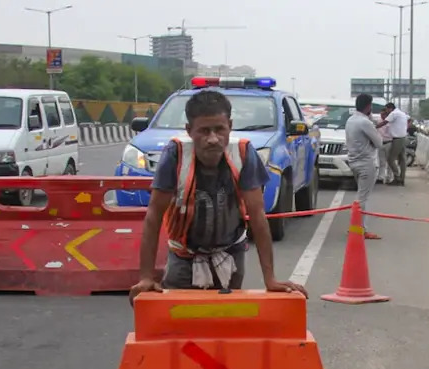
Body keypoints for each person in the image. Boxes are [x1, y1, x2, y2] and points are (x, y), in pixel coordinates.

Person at [129, 89, 308, 300]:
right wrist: (146, 277)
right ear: (189, 130)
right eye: (204, 131)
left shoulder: (243, 152)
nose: (213, 139)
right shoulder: (175, 154)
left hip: (230, 254)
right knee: (180, 320)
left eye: (219, 130)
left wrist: (270, 279)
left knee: (226, 318)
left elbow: (258, 217)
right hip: (183, 255)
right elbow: (154, 216)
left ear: (230, 127)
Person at [344, 93, 383, 232]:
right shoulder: (365, 122)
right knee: (362, 198)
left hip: (354, 161)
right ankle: (359, 229)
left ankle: (358, 227)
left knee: (361, 195)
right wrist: (371, 119)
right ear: (368, 106)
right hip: (366, 163)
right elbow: (379, 143)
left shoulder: (350, 120)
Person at [379, 102, 409, 185]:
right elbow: (409, 119)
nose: (386, 112)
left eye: (386, 110)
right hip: (403, 137)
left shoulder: (393, 113)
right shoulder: (401, 113)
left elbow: (384, 123)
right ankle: (402, 179)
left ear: (390, 108)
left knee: (390, 159)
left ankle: (397, 177)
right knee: (402, 160)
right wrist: (405, 128)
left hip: (397, 139)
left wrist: (375, 127)